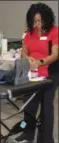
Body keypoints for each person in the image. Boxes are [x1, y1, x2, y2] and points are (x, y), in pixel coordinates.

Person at [14, 3, 58, 143]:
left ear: (46, 19)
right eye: (34, 22)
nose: (36, 25)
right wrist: (28, 58)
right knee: (29, 107)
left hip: (50, 75)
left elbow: (55, 54)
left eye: (39, 21)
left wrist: (40, 62)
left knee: (46, 109)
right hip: (32, 75)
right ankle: (26, 133)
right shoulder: (29, 33)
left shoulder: (54, 31)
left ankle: (46, 138)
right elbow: (24, 51)